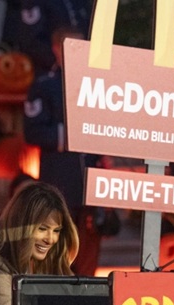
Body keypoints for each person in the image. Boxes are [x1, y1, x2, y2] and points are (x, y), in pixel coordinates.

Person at [23, 26, 117, 276]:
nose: (80, 52)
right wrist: (76, 134)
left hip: (91, 182)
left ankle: (87, 290)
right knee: (58, 248)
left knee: (89, 247)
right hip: (60, 180)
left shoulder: (95, 84)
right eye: (73, 47)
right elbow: (34, 132)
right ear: (57, 49)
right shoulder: (45, 86)